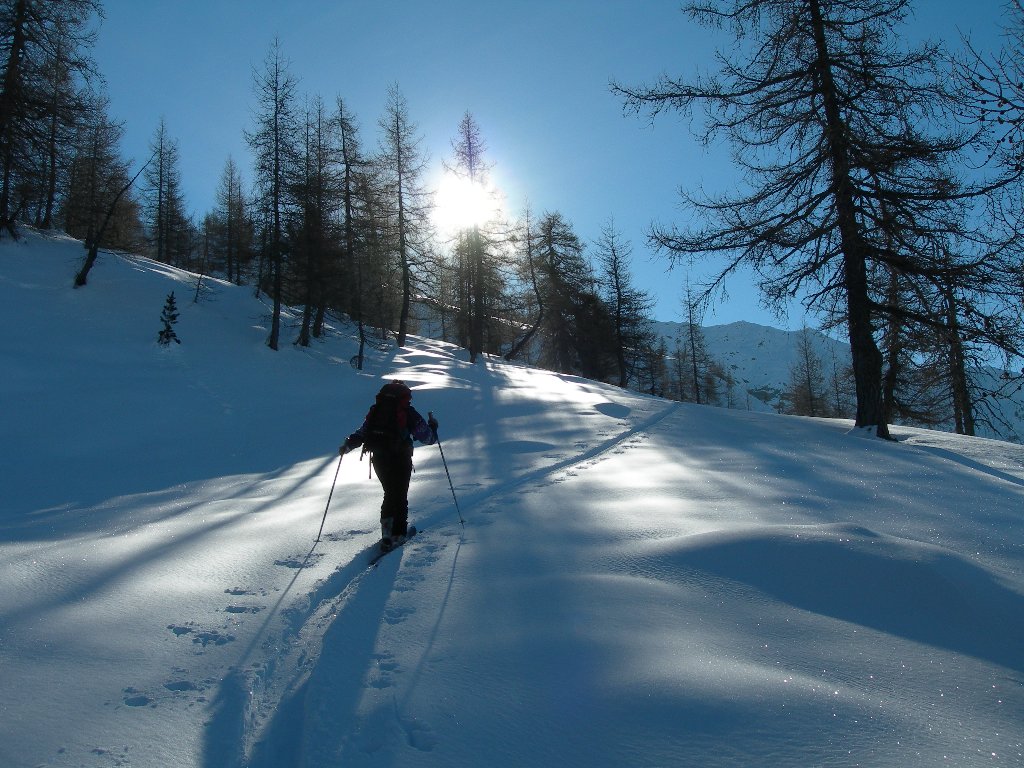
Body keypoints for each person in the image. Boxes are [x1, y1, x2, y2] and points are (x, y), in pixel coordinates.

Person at [341, 380, 438, 552]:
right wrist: (434, 427)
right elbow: (427, 438)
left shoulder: (376, 410)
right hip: (401, 458)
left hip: (378, 458)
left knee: (389, 494)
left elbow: (362, 432)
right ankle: (398, 535)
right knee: (400, 496)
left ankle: (386, 534)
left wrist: (349, 445)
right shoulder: (408, 412)